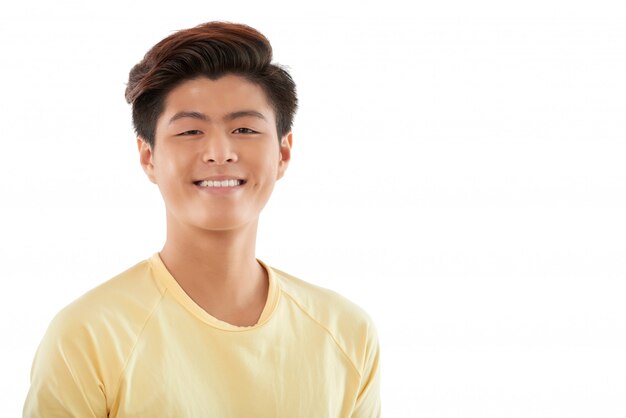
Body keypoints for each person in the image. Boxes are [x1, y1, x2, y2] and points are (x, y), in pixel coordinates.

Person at [23, 21, 381, 417]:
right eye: (191, 131)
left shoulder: (347, 332)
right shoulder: (87, 336)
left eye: (244, 128)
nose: (219, 152)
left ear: (283, 153)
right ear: (148, 157)